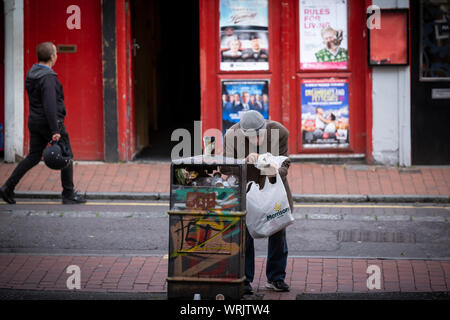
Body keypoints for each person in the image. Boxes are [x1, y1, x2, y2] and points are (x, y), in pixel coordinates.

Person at [0, 42, 86, 205]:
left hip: (34, 121)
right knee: (66, 154)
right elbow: (49, 105)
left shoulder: (32, 73)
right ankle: (68, 194)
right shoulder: (48, 77)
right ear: (52, 56)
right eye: (56, 53)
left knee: (33, 157)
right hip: (50, 122)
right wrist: (55, 129)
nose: (57, 56)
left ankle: (7, 187)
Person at [224, 110, 292, 294]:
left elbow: (285, 163)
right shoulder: (231, 135)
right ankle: (245, 281)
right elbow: (225, 167)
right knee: (244, 237)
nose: (255, 139)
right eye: (250, 137)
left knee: (278, 233)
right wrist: (243, 161)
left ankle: (276, 278)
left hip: (274, 190)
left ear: (265, 128)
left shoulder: (280, 132)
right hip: (247, 192)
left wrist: (275, 170)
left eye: (259, 135)